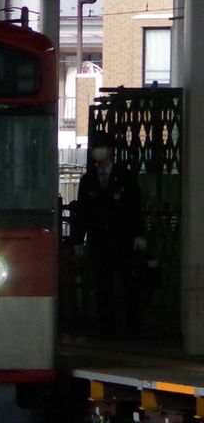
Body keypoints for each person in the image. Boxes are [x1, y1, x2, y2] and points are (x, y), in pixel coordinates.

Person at [71, 132, 146, 337]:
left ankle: (132, 327)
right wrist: (78, 240)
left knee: (128, 284)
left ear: (111, 150)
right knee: (102, 285)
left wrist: (139, 235)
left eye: (101, 147)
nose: (97, 151)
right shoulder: (88, 181)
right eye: (95, 147)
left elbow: (134, 208)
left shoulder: (125, 178)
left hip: (123, 240)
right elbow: (82, 213)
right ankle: (106, 328)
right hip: (99, 242)